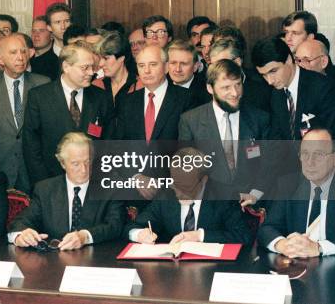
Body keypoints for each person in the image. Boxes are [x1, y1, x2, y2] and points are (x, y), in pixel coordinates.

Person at [179, 60, 276, 207]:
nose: (235, 93)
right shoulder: (190, 121)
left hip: (251, 204)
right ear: (210, 88)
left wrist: (255, 194)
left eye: (238, 84)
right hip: (209, 205)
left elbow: (268, 163)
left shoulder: (259, 119)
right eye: (226, 87)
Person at [9, 132, 123, 250]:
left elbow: (115, 225)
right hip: (53, 262)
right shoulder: (45, 190)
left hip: (96, 261)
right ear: (63, 163)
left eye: (88, 162)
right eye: (75, 164)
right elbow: (21, 221)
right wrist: (21, 235)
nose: (84, 170)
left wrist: (85, 236)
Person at [23, 41, 111, 186]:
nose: (91, 73)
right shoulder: (39, 97)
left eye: (92, 67)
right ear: (66, 67)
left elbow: (108, 141)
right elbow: (31, 146)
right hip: (52, 181)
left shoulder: (100, 97)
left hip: (92, 182)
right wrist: (43, 183)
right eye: (85, 68)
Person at [124, 147, 252, 245]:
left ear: (204, 181)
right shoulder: (166, 195)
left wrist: (200, 236)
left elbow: (243, 235)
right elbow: (131, 228)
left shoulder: (224, 195)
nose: (178, 192)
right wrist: (140, 234)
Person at [0, 35, 49, 192]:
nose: (20, 57)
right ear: (0, 59)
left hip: (35, 171)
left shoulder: (43, 83)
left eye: (23, 51)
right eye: (13, 53)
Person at [259, 129, 335, 257]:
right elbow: (267, 228)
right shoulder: (289, 185)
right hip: (296, 267)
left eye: (318, 154)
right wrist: (283, 244)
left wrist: (319, 248)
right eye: (305, 154)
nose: (310, 162)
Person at [252, 37, 335, 140]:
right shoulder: (276, 94)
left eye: (273, 71)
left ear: (289, 59)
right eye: (264, 75)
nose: (270, 81)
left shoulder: (323, 87)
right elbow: (277, 138)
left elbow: (334, 137)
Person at [111, 45, 191, 142]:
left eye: (153, 64)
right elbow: (119, 145)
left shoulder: (187, 99)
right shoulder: (126, 102)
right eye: (141, 65)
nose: (146, 71)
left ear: (166, 67)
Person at [209, 37, 271, 113]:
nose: (217, 70)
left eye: (223, 64)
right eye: (213, 65)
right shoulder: (210, 87)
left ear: (237, 62)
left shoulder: (263, 84)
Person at [92, 31, 138, 109]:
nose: (101, 64)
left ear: (121, 58)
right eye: (100, 58)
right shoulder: (97, 85)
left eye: (106, 58)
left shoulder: (139, 85)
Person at [166, 40, 210, 107]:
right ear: (167, 65)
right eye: (173, 63)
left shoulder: (206, 94)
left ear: (195, 67)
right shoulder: (159, 87)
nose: (178, 69)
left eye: (184, 64)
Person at [30, 15, 59, 80]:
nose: (36, 35)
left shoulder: (57, 63)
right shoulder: (25, 58)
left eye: (41, 31)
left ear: (52, 35)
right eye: (34, 31)